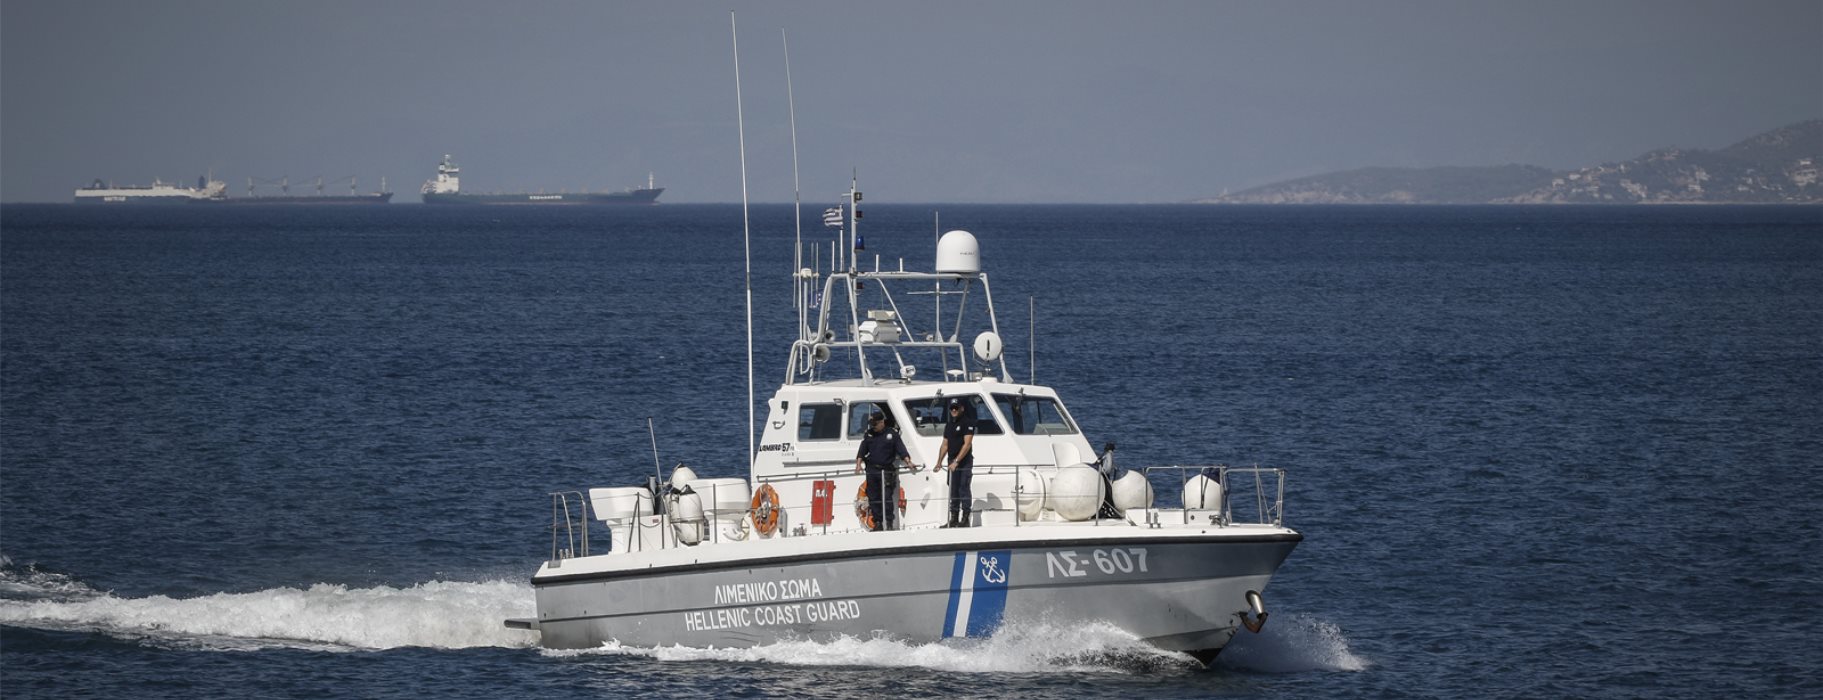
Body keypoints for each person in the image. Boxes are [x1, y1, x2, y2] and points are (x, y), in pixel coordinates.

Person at [854, 410, 912, 531]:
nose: (873, 427)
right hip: (872, 470)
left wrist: (908, 462)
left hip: (886, 470)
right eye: (872, 424)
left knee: (887, 497)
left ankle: (889, 522)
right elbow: (862, 450)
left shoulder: (891, 434)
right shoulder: (869, 435)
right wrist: (858, 465)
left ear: (882, 422)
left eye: (875, 424)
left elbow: (901, 449)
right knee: (874, 497)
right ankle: (878, 522)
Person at [935, 398, 977, 528]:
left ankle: (965, 519)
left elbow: (967, 444)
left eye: (956, 408)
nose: (954, 410)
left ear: (961, 409)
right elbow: (945, 445)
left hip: (964, 462)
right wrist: (939, 462)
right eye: (952, 408)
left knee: (963, 488)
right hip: (951, 461)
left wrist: (957, 461)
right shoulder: (949, 425)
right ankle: (953, 518)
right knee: (953, 489)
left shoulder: (968, 423)